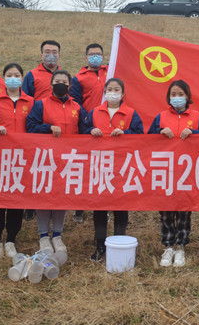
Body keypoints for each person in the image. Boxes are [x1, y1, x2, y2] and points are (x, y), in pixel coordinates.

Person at [26, 70, 89, 255]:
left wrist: (93, 131)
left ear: (70, 86)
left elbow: (84, 129)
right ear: (51, 84)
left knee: (62, 196)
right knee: (44, 195)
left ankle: (57, 234)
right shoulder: (40, 105)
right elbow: (30, 126)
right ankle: (43, 235)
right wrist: (48, 128)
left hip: (68, 159)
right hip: (46, 158)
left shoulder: (77, 107)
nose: (61, 84)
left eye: (64, 82)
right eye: (57, 81)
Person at [148, 80, 199, 268]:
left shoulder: (197, 117)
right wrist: (159, 131)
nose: (177, 97)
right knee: (166, 209)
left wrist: (194, 132)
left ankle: (181, 246)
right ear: (168, 97)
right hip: (165, 170)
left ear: (187, 96)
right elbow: (146, 139)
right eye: (173, 94)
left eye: (180, 94)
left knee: (184, 209)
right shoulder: (161, 117)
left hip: (187, 172)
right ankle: (168, 246)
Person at [84, 77, 144, 261]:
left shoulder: (131, 113)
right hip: (100, 167)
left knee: (120, 206)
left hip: (122, 167)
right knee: (99, 207)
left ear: (123, 93)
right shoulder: (95, 112)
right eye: (109, 89)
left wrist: (126, 133)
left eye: (116, 89)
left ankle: (119, 243)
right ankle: (100, 245)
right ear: (105, 92)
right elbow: (82, 132)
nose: (113, 93)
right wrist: (90, 131)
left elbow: (141, 136)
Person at [0, 63, 34, 259]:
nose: (13, 78)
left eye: (17, 75)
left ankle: (11, 240)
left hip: (22, 159)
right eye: (9, 75)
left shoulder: (31, 102)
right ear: (4, 79)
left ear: (22, 79)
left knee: (16, 201)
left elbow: (35, 125)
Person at [22, 40, 61, 220]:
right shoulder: (32, 75)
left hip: (59, 131)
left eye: (54, 52)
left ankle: (53, 203)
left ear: (59, 55)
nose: (51, 55)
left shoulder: (63, 76)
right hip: (38, 128)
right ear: (41, 55)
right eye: (47, 52)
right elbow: (25, 100)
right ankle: (31, 205)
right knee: (35, 168)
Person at [70, 43, 108, 223]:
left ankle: (103, 208)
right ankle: (79, 209)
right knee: (85, 169)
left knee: (105, 168)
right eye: (92, 54)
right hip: (88, 127)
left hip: (108, 126)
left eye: (98, 54)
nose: (95, 57)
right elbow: (75, 102)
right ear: (86, 58)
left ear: (103, 56)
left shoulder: (111, 72)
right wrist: (88, 118)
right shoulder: (79, 78)